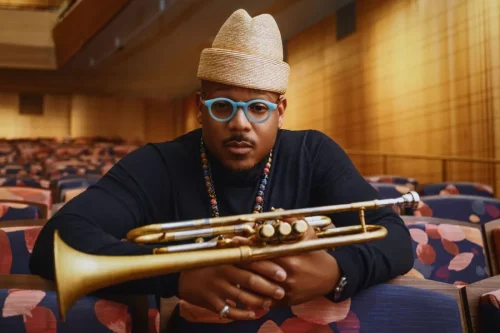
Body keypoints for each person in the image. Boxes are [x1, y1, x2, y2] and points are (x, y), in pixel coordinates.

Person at [30, 8, 413, 332]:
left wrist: (335, 271)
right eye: (222, 106)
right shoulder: (158, 164)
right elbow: (58, 240)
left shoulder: (313, 153)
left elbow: (393, 235)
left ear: (280, 112)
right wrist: (177, 276)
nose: (240, 124)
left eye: (258, 109)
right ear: (200, 107)